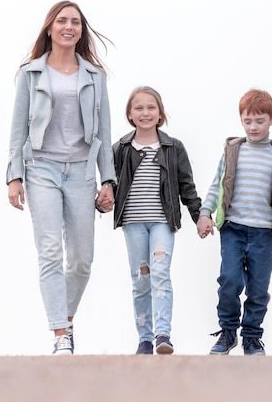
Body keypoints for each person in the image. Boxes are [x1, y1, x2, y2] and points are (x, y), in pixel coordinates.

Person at [6, 0, 116, 355]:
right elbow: (17, 127)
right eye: (63, 21)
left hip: (82, 171)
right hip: (41, 169)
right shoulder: (31, 73)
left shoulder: (95, 76)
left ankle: (65, 318)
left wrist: (108, 180)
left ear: (81, 31)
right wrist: (14, 176)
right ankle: (60, 336)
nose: (70, 27)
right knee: (50, 251)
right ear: (49, 28)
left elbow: (104, 130)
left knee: (82, 259)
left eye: (76, 22)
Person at [198, 89, 272, 356]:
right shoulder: (233, 150)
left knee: (259, 288)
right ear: (241, 121)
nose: (253, 126)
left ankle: (251, 336)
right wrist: (205, 213)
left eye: (259, 121)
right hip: (233, 228)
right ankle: (227, 332)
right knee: (229, 279)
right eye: (248, 121)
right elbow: (217, 185)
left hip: (262, 232)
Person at [112, 86, 202, 355]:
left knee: (160, 273)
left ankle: (163, 334)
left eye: (151, 107)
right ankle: (145, 339)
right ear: (130, 114)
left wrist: (199, 216)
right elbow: (110, 185)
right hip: (133, 222)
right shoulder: (121, 148)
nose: (145, 113)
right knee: (141, 279)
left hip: (162, 221)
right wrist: (100, 202)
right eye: (138, 108)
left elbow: (187, 186)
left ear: (160, 113)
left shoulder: (173, 148)